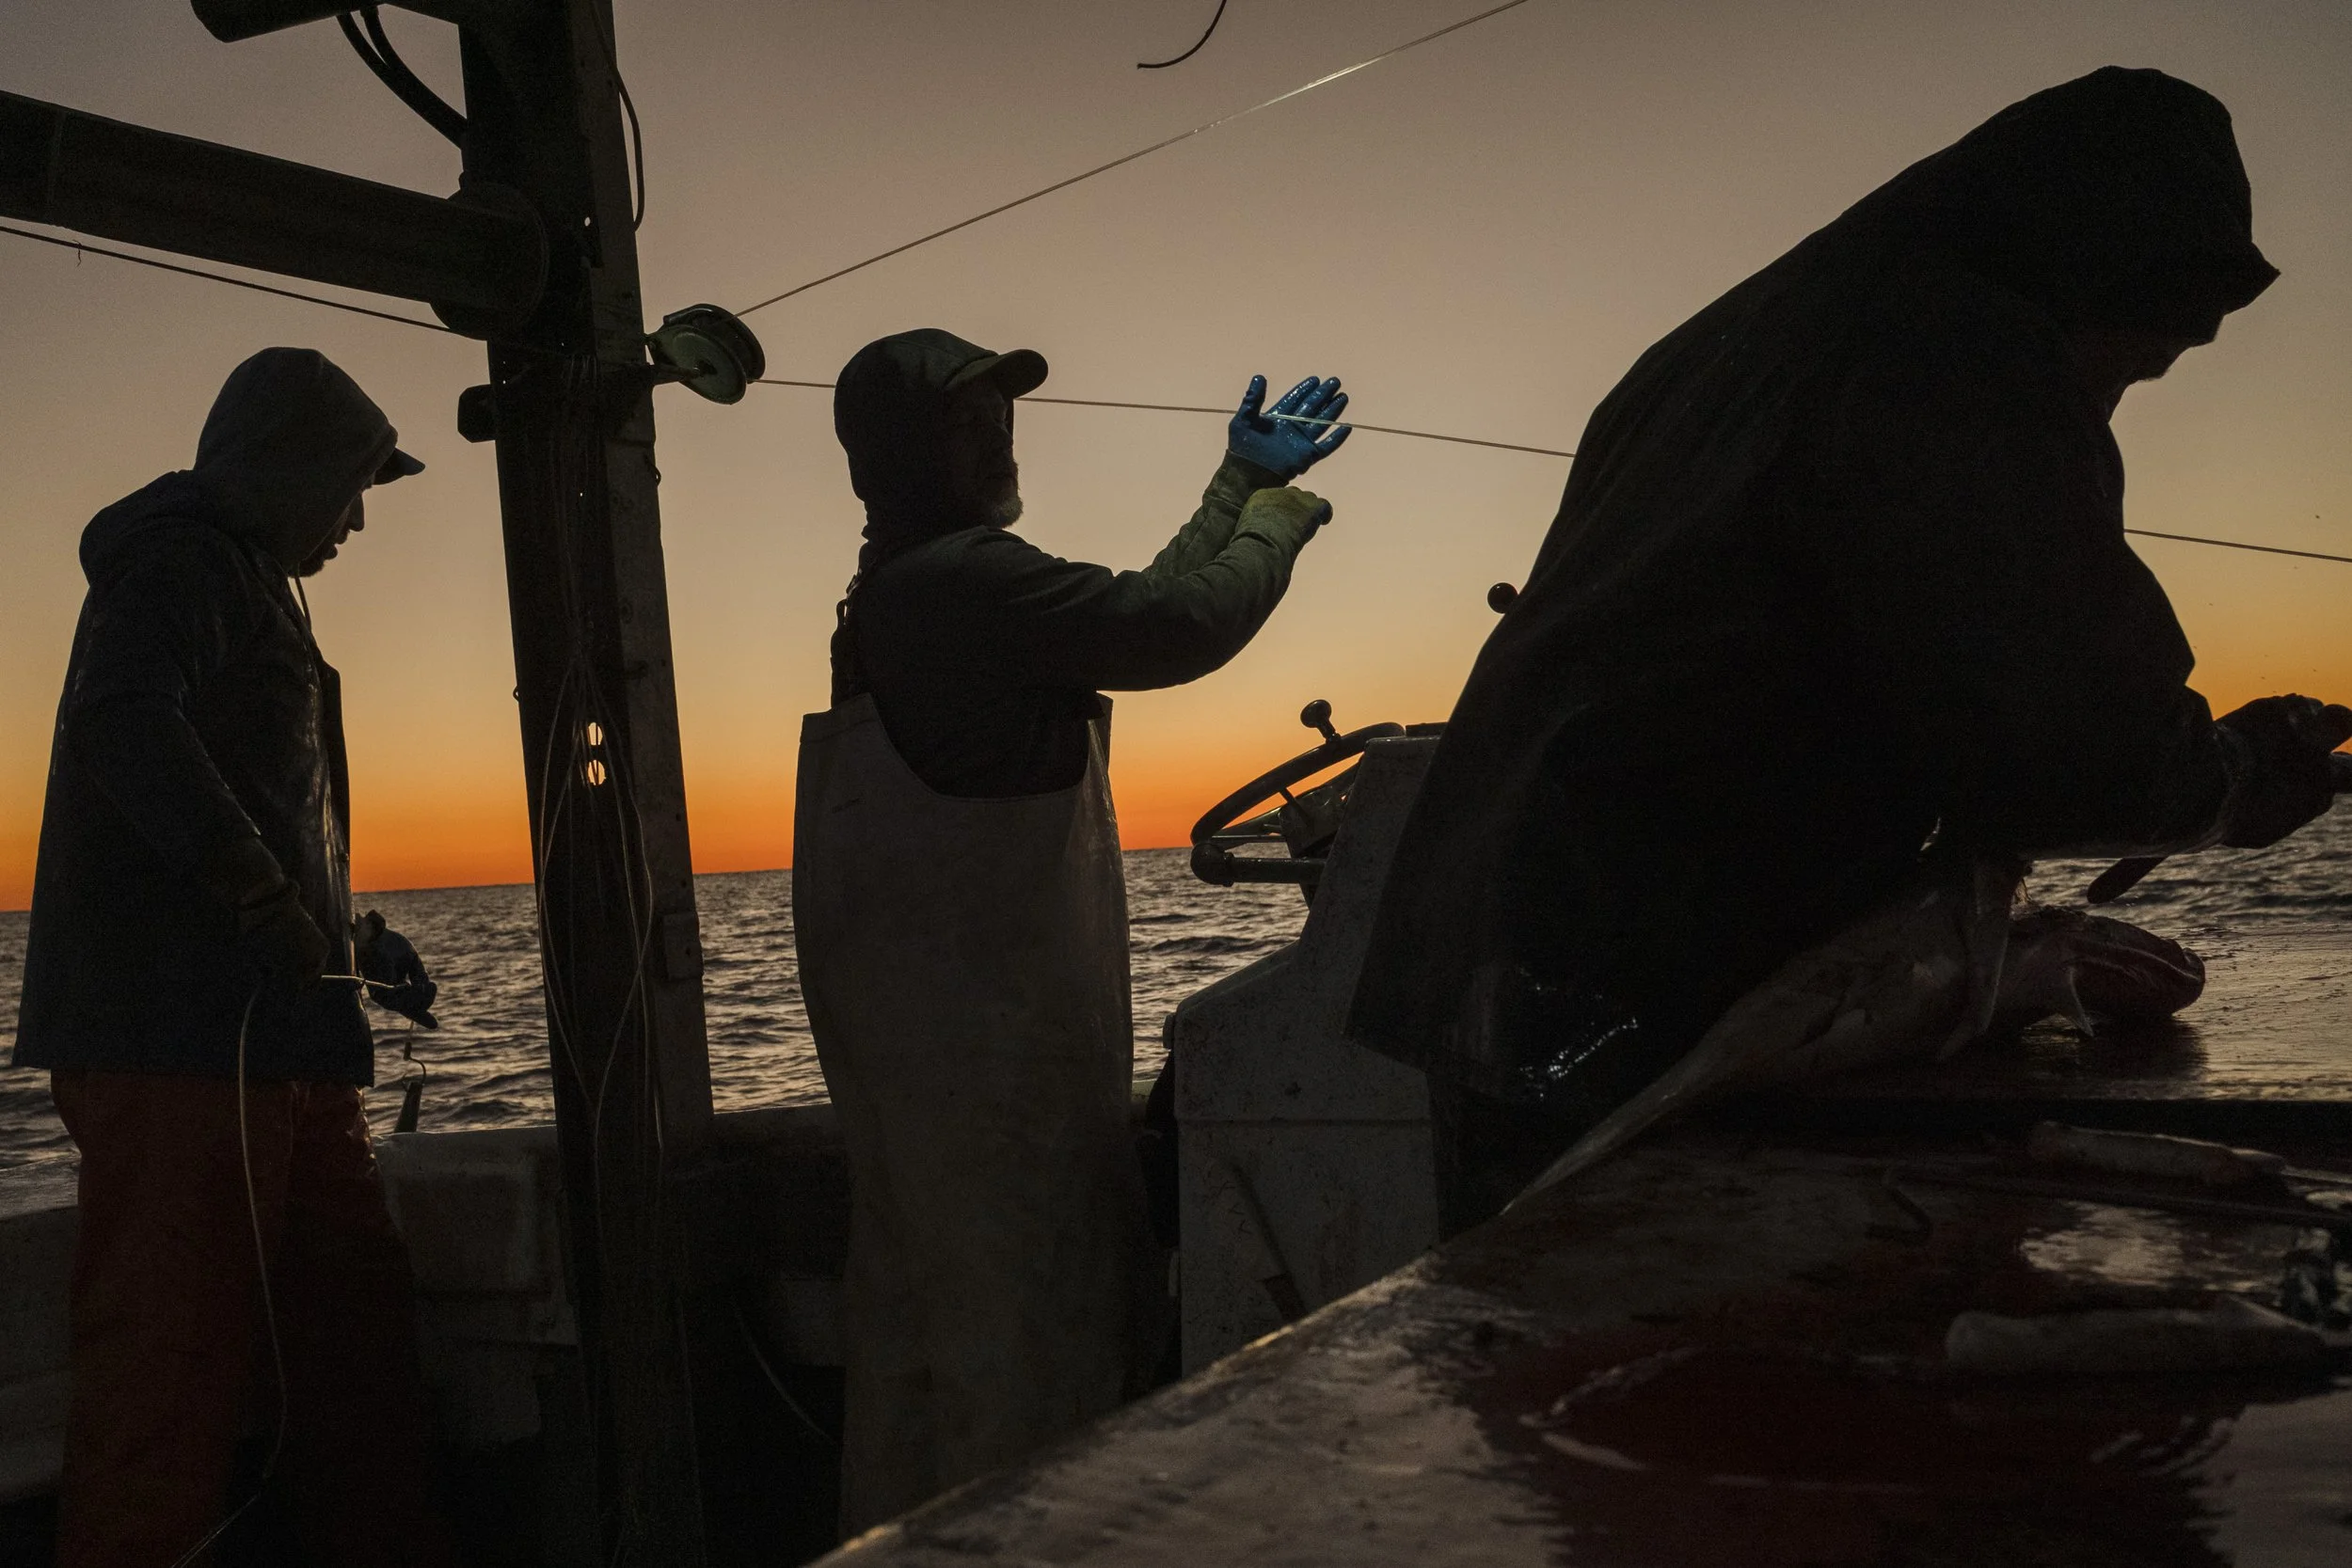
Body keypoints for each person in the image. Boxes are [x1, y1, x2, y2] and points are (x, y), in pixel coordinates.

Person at [1349, 68, 2352, 1232]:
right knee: (1679, 1374)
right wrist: (2254, 767)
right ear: (2096, 281)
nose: (2115, 405)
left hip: (1497, 977)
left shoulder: (1736, 341)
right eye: (2136, 366)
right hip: (1656, 1005)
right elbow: (2076, 752)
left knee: (1551, 1344)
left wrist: (2010, 956)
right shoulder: (1952, 348)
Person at [793, 327, 1348, 1530]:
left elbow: (1130, 606)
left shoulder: (905, 590)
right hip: (995, 1108)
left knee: (920, 1377)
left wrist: (1235, 484)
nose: (998, 434)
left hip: (928, 1106)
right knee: (1031, 1395)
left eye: (1001, 411)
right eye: (967, 418)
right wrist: (1277, 517)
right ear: (900, 455)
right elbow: (1169, 629)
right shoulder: (965, 580)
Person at [11, 348, 455, 1567]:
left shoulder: (255, 582)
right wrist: (261, 895)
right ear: (286, 463)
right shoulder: (183, 556)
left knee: (353, 1344)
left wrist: (355, 937)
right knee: (166, 1377)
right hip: (180, 1051)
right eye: (352, 483)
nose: (361, 516)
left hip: (287, 1047)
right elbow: (122, 717)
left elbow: (254, 799)